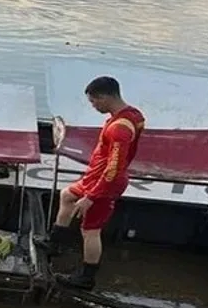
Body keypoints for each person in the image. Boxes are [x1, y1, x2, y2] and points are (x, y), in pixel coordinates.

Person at [42, 75, 145, 290]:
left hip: (104, 183)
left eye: (94, 101)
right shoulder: (132, 115)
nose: (93, 105)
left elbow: (114, 169)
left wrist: (92, 196)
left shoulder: (120, 129)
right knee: (67, 195)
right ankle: (55, 243)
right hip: (94, 176)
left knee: (90, 230)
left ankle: (86, 278)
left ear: (106, 97)